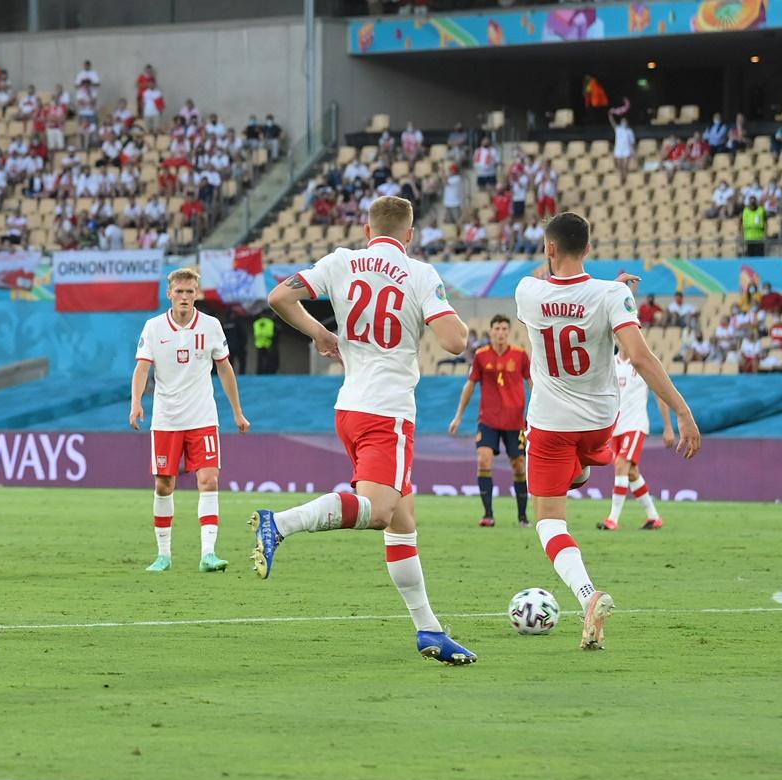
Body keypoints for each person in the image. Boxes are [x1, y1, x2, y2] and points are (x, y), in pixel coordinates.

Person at [249, 196, 477, 665]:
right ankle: (282, 523)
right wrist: (446, 314)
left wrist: (319, 333)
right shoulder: (419, 274)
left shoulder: (341, 262)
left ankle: (429, 631)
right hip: (389, 413)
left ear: (367, 229)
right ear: (409, 235)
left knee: (402, 523)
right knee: (379, 512)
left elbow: (278, 297)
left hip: (350, 409)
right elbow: (455, 342)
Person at [515, 212, 700, 650]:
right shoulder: (611, 293)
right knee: (582, 467)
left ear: (548, 249)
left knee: (547, 522)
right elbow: (639, 357)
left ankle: (587, 595)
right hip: (600, 425)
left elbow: (556, 294)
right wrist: (684, 412)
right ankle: (578, 471)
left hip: (550, 424)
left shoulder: (527, 291)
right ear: (591, 250)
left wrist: (600, 289)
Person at [129, 268, 250, 574]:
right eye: (179, 292)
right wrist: (136, 403)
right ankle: (164, 555)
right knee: (164, 484)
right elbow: (143, 368)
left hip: (202, 416)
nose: (184, 297)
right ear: (169, 294)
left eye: (189, 292)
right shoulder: (154, 327)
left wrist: (237, 411)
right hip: (167, 419)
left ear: (197, 294)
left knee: (209, 480)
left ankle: (208, 554)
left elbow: (224, 368)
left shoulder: (211, 326)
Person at [447, 315, 531, 528]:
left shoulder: (520, 355)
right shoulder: (481, 356)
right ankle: (488, 515)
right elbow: (470, 386)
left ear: (509, 331)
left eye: (504, 328)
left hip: (515, 422)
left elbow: (533, 383)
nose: (500, 332)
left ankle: (522, 517)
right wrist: (458, 416)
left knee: (519, 466)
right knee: (483, 460)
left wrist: (535, 416)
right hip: (489, 420)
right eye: (497, 328)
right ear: (491, 331)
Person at [597, 349, 675, 531]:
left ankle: (612, 520)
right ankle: (654, 517)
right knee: (631, 472)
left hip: (635, 425)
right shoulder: (610, 363)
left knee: (621, 465)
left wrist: (668, 427)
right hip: (615, 428)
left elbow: (660, 395)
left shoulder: (642, 362)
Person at [609, 112, 635, 179]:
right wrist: (610, 116)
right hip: (618, 149)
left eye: (625, 121)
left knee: (625, 166)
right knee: (620, 166)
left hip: (626, 149)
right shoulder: (618, 129)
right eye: (623, 121)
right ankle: (621, 178)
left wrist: (632, 151)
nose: (624, 122)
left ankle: (625, 178)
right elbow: (612, 123)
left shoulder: (629, 131)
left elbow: (632, 142)